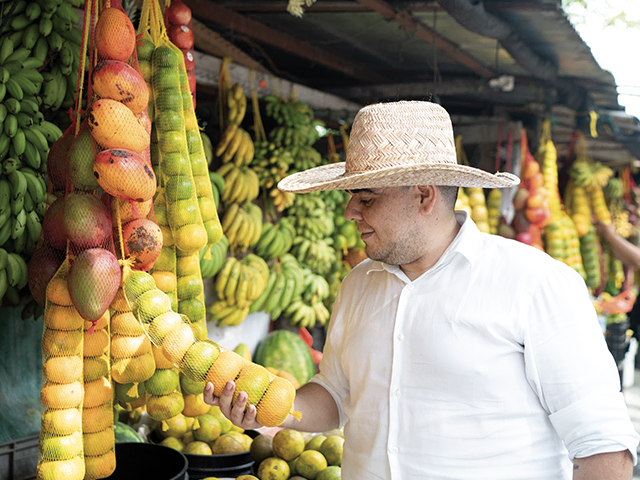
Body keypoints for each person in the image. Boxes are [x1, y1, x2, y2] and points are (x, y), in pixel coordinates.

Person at [204, 101, 640, 479]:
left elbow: (603, 448)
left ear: (425, 196)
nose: (350, 211)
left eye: (367, 197)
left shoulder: (535, 283)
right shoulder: (358, 285)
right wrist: (267, 408)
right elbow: (335, 396)